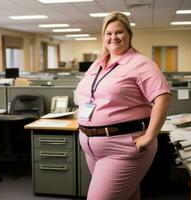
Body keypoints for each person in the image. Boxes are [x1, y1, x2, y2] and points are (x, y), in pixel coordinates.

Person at [76, 11, 171, 200]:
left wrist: (149, 136)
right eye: (108, 33)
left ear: (129, 34)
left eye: (119, 32)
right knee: (128, 196)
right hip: (92, 148)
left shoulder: (141, 64)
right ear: (103, 37)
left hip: (122, 148)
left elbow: (163, 98)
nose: (113, 37)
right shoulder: (97, 64)